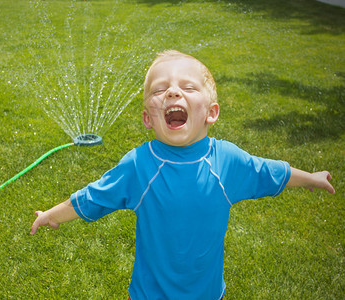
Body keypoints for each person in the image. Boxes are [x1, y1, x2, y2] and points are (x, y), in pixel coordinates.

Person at [30, 50, 335, 299]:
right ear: (148, 118)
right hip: (149, 294)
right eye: (159, 89)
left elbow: (270, 172)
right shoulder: (139, 165)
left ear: (211, 112)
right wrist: (52, 215)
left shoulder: (225, 161)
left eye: (188, 87)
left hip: (206, 293)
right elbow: (95, 195)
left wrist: (310, 177)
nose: (173, 92)